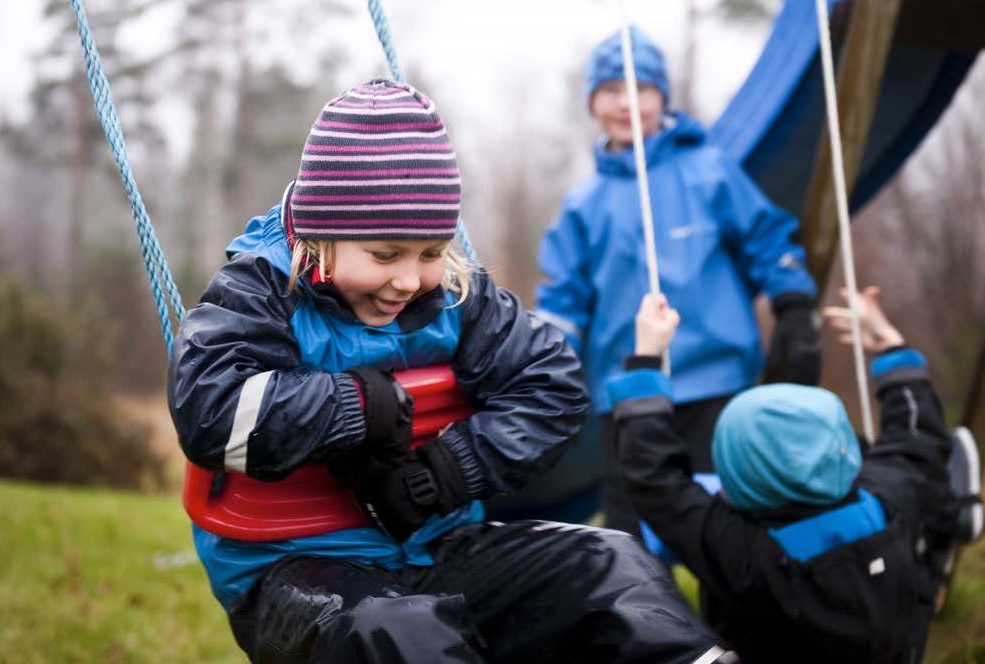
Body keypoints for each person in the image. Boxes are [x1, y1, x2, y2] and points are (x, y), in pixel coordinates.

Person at [168, 79, 737, 664]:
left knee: (614, 570)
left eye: (432, 252)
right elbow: (208, 412)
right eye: (385, 256)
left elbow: (554, 385)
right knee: (396, 633)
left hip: (438, 542)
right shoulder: (260, 292)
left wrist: (445, 473)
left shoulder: (461, 299)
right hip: (296, 568)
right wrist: (354, 407)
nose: (410, 280)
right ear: (320, 234)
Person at [535, 26, 821, 535]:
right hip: (628, 388)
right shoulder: (585, 203)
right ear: (592, 102)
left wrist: (793, 304)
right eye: (611, 90)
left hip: (718, 381)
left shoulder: (709, 170)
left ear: (662, 95)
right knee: (628, 536)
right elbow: (564, 297)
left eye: (640, 88)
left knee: (731, 526)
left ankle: (727, 617)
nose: (627, 103)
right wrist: (543, 363)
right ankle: (642, 617)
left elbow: (769, 239)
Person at [605, 285, 966, 662]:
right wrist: (892, 346)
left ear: (735, 481)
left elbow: (654, 478)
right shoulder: (890, 499)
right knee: (929, 486)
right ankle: (946, 519)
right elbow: (916, 437)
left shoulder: (743, 555)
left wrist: (647, 357)